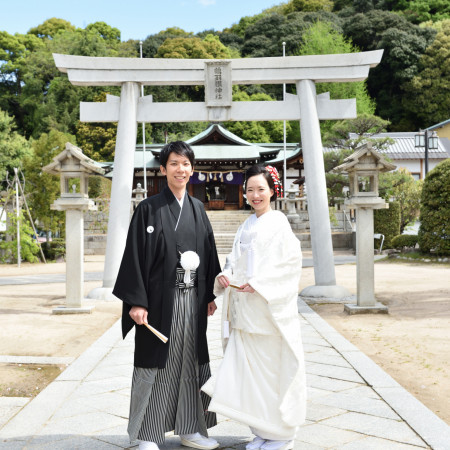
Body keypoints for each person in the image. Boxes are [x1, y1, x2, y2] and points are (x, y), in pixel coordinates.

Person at [113, 141, 221, 450]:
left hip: (192, 299)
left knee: (191, 362)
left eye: (186, 164)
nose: (181, 169)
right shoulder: (148, 209)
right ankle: (147, 435)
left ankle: (191, 428)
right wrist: (136, 301)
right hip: (158, 301)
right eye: (174, 163)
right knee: (156, 365)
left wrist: (210, 294)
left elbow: (209, 254)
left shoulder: (198, 209)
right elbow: (134, 256)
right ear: (163, 169)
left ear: (192, 169)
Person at [202, 165, 306, 450]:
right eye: (250, 190)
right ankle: (263, 430)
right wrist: (224, 276)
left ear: (273, 191)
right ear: (244, 193)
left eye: (261, 189)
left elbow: (289, 265)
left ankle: (282, 433)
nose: (255, 195)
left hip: (268, 312)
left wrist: (260, 284)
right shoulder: (245, 225)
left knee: (272, 373)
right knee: (250, 377)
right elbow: (234, 262)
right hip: (244, 311)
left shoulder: (279, 223)